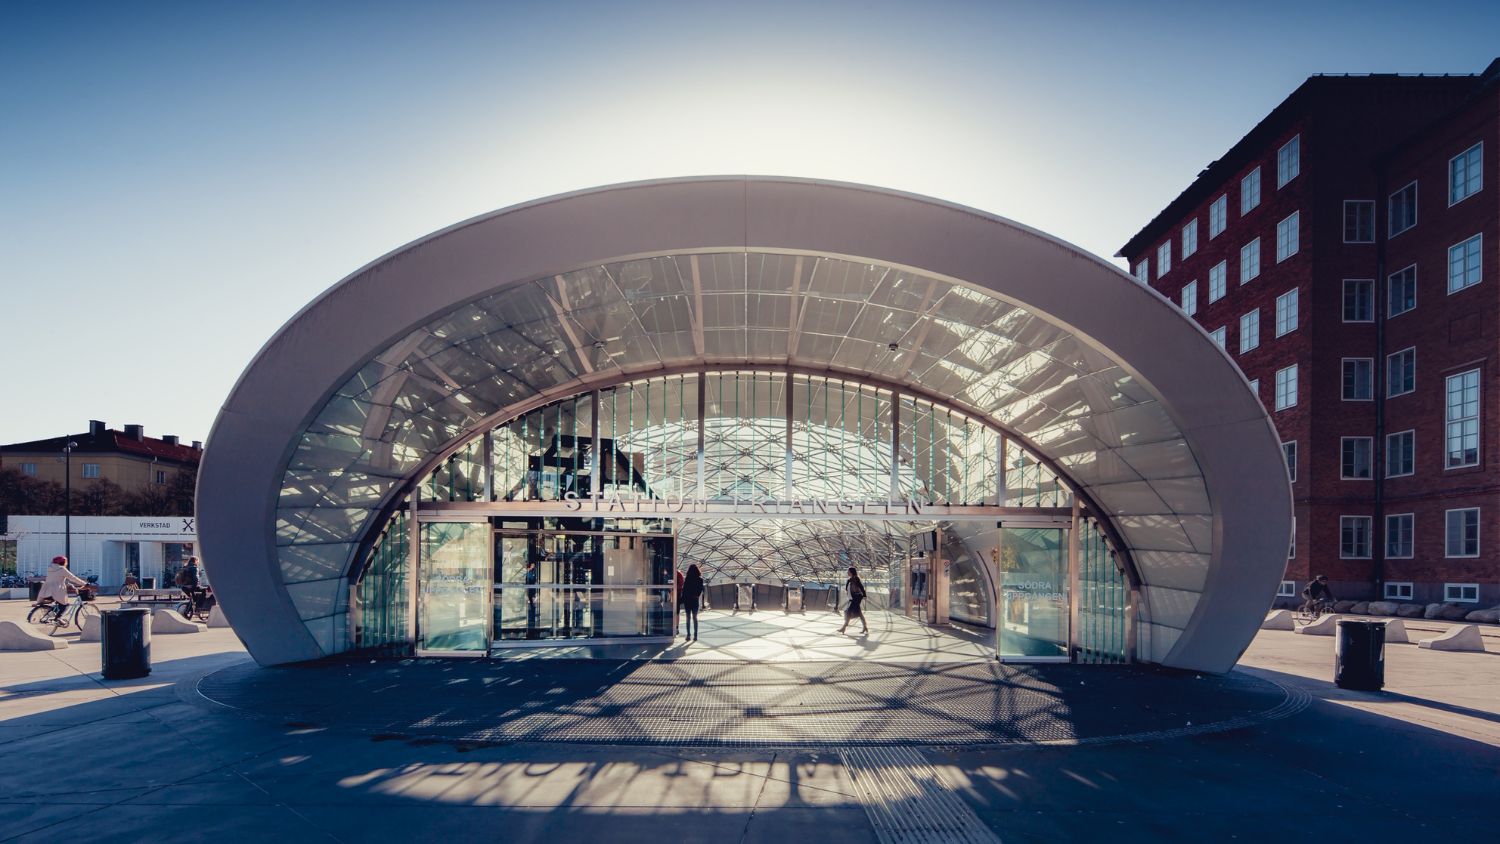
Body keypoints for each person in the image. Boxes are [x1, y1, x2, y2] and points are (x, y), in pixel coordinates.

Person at [39, 555, 88, 622]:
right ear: (63, 562)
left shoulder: (50, 569)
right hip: (56, 591)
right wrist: (85, 584)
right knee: (65, 605)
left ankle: (49, 616)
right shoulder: (62, 569)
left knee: (59, 605)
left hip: (46, 590)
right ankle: (58, 618)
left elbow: (57, 579)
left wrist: (68, 584)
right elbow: (73, 578)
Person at [838, 566, 868, 635]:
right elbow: (847, 588)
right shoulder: (850, 579)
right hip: (853, 597)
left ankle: (844, 628)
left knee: (848, 611)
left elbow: (861, 587)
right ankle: (865, 627)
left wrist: (865, 595)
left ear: (851, 572)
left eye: (848, 571)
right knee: (859, 613)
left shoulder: (856, 579)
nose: (847, 572)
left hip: (857, 597)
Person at [680, 564, 704, 641]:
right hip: (695, 600)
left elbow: (684, 590)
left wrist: (682, 600)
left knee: (688, 618)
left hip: (688, 600)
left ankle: (688, 635)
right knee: (695, 618)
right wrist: (696, 595)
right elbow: (700, 590)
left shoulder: (687, 578)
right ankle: (695, 636)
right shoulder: (700, 579)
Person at [674, 567, 686, 633]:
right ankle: (676, 627)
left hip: (677, 594)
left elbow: (681, 585)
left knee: (676, 612)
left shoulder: (678, 574)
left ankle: (676, 627)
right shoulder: (679, 574)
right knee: (676, 612)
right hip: (676, 594)